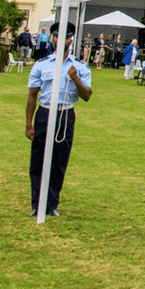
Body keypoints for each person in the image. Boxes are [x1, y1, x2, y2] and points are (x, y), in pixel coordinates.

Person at [24, 22, 92, 218]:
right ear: (53, 39)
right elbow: (32, 96)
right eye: (57, 36)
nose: (61, 39)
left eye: (66, 36)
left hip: (65, 114)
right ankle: (37, 204)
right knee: (38, 159)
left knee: (59, 160)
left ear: (71, 40)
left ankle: (52, 204)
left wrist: (76, 79)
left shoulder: (78, 66)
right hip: (45, 113)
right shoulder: (42, 64)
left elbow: (87, 95)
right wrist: (29, 124)